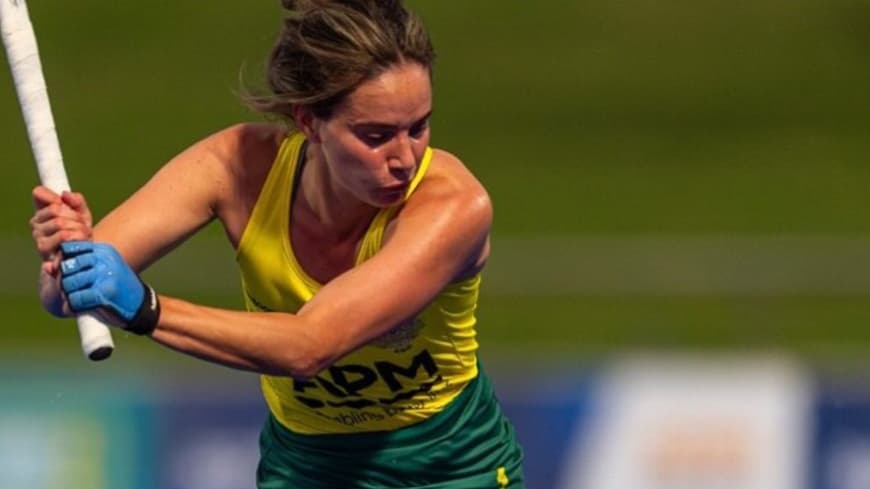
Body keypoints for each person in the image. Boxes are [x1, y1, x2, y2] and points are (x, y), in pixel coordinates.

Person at [29, 0, 525, 487]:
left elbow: (309, 347)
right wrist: (68, 258)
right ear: (308, 121)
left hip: (449, 469)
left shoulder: (454, 206)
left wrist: (146, 309)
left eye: (418, 128)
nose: (405, 159)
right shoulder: (234, 167)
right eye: (375, 136)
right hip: (305, 466)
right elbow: (63, 299)